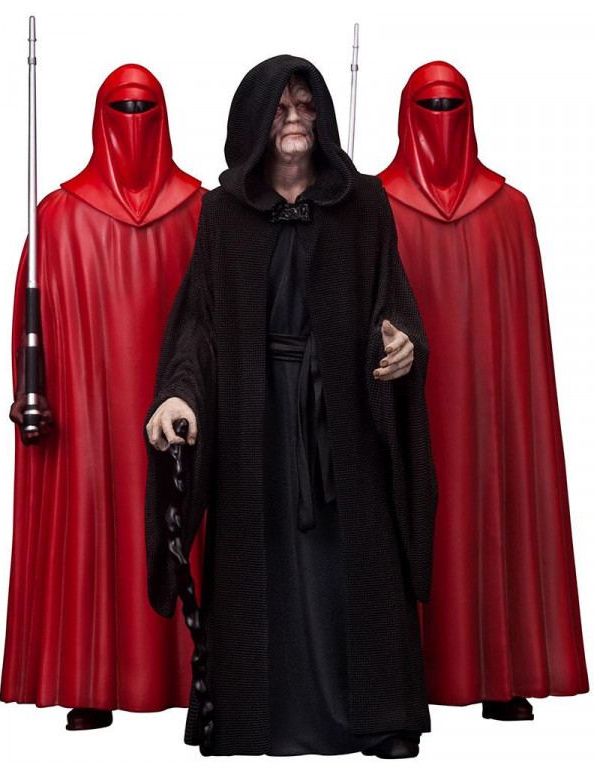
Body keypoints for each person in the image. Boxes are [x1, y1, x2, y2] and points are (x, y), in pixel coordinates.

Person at [145, 55, 437, 757]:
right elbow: (199, 324)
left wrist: (402, 341)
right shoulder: (222, 215)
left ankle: (379, 719)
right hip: (255, 418)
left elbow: (391, 301)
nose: (294, 118)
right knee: (262, 560)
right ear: (255, 123)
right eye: (279, 109)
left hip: (346, 415)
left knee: (357, 560)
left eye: (305, 105)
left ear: (323, 117)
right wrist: (179, 393)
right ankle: (256, 719)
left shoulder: (364, 204)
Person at [378, 61, 589, 720]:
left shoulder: (508, 209)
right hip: (404, 399)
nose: (441, 120)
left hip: (489, 406)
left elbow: (526, 345)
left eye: (452, 106)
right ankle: (398, 677)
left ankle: (501, 672)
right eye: (429, 107)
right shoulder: (374, 203)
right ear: (407, 115)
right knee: (397, 504)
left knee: (494, 503)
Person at [2, 64, 207, 730]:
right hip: (86, 420)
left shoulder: (202, 211)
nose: (134, 123)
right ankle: (90, 681)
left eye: (145, 109)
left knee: (186, 516)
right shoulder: (58, 217)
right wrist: (28, 394)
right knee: (90, 525)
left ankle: (195, 676)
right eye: (124, 109)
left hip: (178, 403)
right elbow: (30, 328)